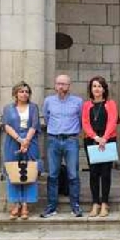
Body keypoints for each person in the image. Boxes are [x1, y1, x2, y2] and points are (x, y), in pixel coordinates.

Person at [41, 74, 84, 218]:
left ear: (69, 86)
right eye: (58, 83)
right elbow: (47, 118)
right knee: (53, 175)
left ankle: (75, 206)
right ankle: (51, 207)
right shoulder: (48, 101)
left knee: (73, 174)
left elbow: (81, 119)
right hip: (53, 139)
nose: (61, 86)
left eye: (64, 84)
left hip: (71, 140)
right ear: (55, 85)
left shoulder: (78, 102)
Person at [2, 81, 41, 220]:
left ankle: (25, 204)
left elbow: (34, 125)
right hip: (13, 142)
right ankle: (16, 204)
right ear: (15, 94)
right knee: (13, 172)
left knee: (29, 172)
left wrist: (26, 142)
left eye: (26, 91)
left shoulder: (34, 107)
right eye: (21, 91)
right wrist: (20, 140)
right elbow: (6, 126)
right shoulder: (8, 108)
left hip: (31, 142)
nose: (24, 94)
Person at [81, 76, 118, 218]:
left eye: (99, 86)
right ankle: (95, 203)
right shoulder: (86, 105)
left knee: (106, 173)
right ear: (91, 89)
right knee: (93, 173)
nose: (97, 89)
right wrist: (96, 137)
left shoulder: (110, 103)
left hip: (108, 140)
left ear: (104, 89)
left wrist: (104, 138)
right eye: (94, 86)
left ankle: (104, 203)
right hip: (91, 140)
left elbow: (112, 121)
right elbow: (85, 123)